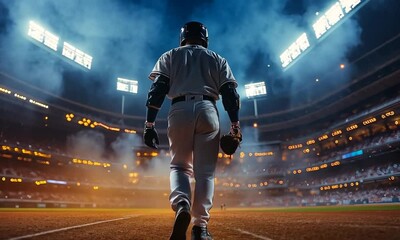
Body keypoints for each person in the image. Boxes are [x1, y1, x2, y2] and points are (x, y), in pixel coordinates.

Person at [143, 21, 241, 240]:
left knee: (179, 166)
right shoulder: (217, 58)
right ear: (205, 38)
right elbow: (230, 94)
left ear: (183, 37)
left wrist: (149, 124)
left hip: (179, 109)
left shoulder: (170, 55)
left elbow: (157, 90)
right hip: (208, 109)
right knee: (205, 173)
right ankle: (200, 228)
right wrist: (235, 126)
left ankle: (182, 204)